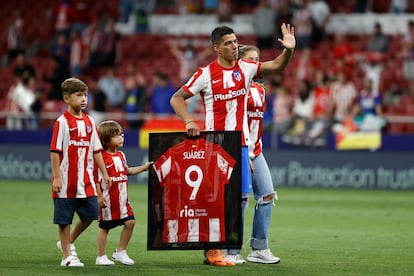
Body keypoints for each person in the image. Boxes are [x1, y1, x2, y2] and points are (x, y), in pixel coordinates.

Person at [169, 23, 295, 266]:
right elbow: (177, 98)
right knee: (220, 200)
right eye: (228, 43)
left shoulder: (246, 69)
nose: (234, 46)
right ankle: (219, 250)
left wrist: (288, 50)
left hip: (241, 145)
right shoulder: (205, 73)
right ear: (216, 48)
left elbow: (276, 65)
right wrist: (188, 121)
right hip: (215, 146)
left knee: (246, 197)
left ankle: (239, 249)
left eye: (236, 41)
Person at [50, 77, 111, 267]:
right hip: (66, 181)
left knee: (91, 214)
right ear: (67, 99)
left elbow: (96, 150)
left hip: (85, 180)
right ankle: (67, 257)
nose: (84, 99)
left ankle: (66, 243)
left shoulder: (90, 122)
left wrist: (105, 172)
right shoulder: (62, 122)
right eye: (79, 95)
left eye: (85, 95)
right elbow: (54, 151)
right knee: (64, 219)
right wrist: (57, 176)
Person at [239, 45, 280, 264]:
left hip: (257, 150)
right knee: (241, 201)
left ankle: (258, 247)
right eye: (250, 60)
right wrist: (243, 152)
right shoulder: (238, 90)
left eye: (258, 59)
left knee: (267, 195)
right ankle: (231, 249)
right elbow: (236, 123)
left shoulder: (261, 89)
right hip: (241, 149)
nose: (256, 63)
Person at [95, 120, 153, 266]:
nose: (121, 138)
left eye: (122, 134)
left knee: (130, 222)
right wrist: (100, 196)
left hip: (123, 200)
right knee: (104, 227)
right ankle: (101, 256)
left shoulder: (121, 155)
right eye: (117, 136)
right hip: (108, 200)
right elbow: (95, 179)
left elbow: (128, 171)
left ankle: (120, 252)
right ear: (106, 140)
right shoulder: (101, 158)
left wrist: (144, 167)